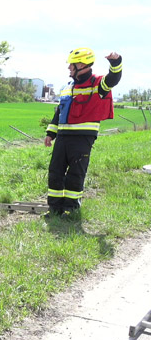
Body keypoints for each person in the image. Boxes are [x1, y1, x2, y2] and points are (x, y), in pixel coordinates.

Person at [44, 48, 122, 218]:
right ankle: (55, 209)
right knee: (55, 172)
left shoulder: (98, 84)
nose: (69, 68)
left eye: (71, 64)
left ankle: (70, 210)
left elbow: (113, 78)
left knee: (75, 174)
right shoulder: (68, 87)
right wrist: (51, 133)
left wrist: (116, 62)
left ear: (81, 65)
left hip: (82, 139)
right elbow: (59, 112)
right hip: (63, 138)